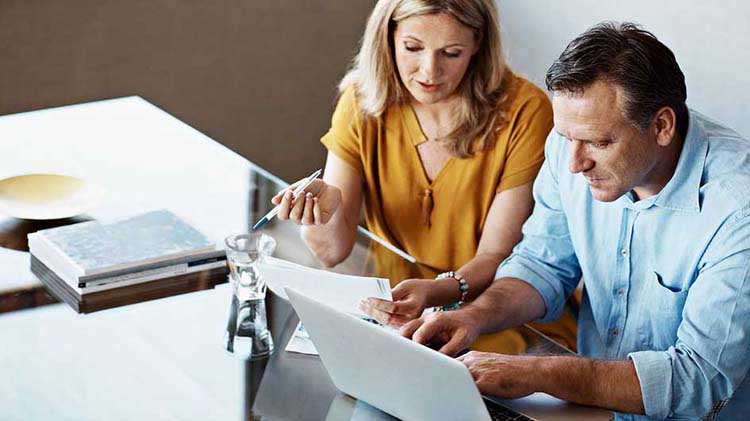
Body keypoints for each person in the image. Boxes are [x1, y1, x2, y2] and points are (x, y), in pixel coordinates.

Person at [400, 21, 750, 420]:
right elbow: (541, 265)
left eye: (600, 143)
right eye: (567, 138)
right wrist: (472, 317)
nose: (575, 163)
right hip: (592, 411)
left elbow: (696, 380)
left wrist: (539, 372)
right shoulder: (571, 142)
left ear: (662, 126)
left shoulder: (739, 212)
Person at [271, 0, 577, 352]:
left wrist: (439, 292)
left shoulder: (525, 113)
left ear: (478, 43)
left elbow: (496, 256)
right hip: (395, 316)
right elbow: (331, 252)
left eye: (451, 53)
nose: (429, 72)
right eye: (413, 48)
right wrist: (323, 213)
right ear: (389, 37)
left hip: (498, 319)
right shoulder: (362, 101)